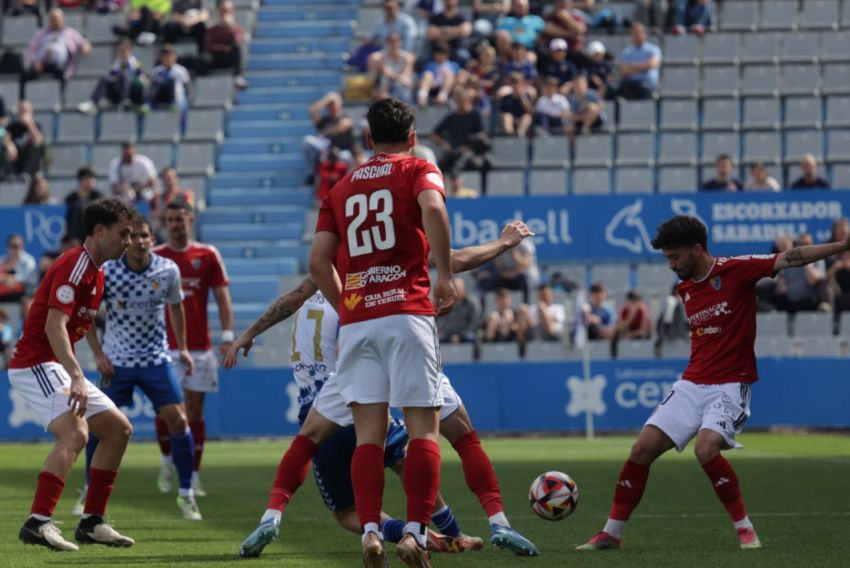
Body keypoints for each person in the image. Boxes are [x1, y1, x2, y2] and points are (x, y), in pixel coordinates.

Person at [226, 221, 539, 560]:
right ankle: (480, 525)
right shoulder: (402, 240)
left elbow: (296, 295)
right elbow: (456, 258)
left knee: (322, 455)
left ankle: (287, 518)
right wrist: (505, 242)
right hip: (404, 335)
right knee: (440, 441)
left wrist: (249, 333)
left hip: (339, 376)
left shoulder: (338, 265)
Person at [577, 214, 850, 552]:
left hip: (730, 384)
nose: (671, 264)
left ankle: (745, 529)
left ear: (696, 249)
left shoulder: (736, 269)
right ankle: (611, 534)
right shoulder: (684, 286)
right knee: (641, 449)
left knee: (705, 449)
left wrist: (841, 246)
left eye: (674, 257)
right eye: (667, 258)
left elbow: (789, 257)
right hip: (692, 383)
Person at [308, 97, 458, 566]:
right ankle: (414, 533)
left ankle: (371, 532)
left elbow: (317, 263)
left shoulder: (341, 187)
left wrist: (349, 307)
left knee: (369, 436)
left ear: (367, 138)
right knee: (423, 433)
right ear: (412, 137)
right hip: (407, 313)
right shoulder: (418, 169)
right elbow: (433, 209)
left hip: (359, 323)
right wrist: (448, 274)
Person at [8, 198, 135, 551]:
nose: (128, 241)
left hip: (54, 364)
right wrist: (78, 375)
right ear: (99, 231)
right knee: (76, 433)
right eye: (123, 234)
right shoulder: (76, 265)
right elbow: (54, 325)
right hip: (35, 363)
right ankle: (38, 522)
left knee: (118, 430)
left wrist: (93, 354)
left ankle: (92, 522)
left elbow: (78, 323)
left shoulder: (97, 272)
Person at [73, 214, 200, 520]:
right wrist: (98, 354)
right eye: (135, 236)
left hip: (155, 359)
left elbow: (176, 307)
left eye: (146, 236)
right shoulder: (108, 271)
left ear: (152, 240)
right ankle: (90, 489)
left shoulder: (167, 270)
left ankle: (187, 494)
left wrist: (181, 347)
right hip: (116, 362)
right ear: (126, 240)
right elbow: (86, 313)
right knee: (99, 426)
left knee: (179, 419)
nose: (141, 241)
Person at [152, 200, 233, 497]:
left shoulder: (207, 254)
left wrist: (227, 334)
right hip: (161, 347)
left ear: (190, 220)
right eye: (170, 219)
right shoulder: (154, 257)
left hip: (199, 348)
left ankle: (193, 474)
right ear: (165, 222)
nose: (175, 223)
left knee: (195, 411)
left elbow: (223, 296)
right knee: (167, 411)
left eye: (179, 218)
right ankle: (166, 462)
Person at [431, 88, 490, 195]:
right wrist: (444, 144)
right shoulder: (451, 117)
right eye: (458, 101)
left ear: (468, 101)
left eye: (462, 100)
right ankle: (439, 191)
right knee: (440, 165)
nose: (460, 103)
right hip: (454, 150)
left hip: (471, 151)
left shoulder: (475, 115)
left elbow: (482, 135)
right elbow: (434, 134)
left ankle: (456, 190)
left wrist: (469, 145)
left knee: (458, 164)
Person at [78, 39, 147, 115]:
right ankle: (93, 103)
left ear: (131, 51)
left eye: (127, 49)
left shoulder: (137, 65)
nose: (124, 52)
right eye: (122, 50)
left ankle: (127, 101)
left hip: (133, 96)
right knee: (105, 79)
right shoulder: (115, 66)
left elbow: (143, 81)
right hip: (117, 96)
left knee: (125, 75)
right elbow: (111, 80)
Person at [24, 8, 92, 82]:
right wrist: (35, 61)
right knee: (25, 74)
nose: (55, 21)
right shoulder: (41, 33)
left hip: (60, 65)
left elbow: (83, 43)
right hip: (41, 64)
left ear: (62, 20)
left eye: (57, 19)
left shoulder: (70, 33)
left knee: (61, 75)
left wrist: (85, 47)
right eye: (53, 19)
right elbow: (31, 49)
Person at [302, 92, 355, 184]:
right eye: (330, 105)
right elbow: (312, 111)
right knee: (307, 141)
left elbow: (342, 127)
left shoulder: (345, 117)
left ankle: (346, 183)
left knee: (345, 156)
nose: (332, 106)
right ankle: (312, 174)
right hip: (327, 151)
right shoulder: (325, 120)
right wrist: (325, 101)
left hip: (343, 151)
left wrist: (323, 132)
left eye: (333, 104)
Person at [774, 232, 832, 313]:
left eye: (807, 243)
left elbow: (814, 280)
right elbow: (781, 283)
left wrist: (806, 262)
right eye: (801, 244)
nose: (805, 246)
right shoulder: (790, 259)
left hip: (810, 300)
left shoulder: (818, 259)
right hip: (791, 301)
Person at [198, 0, 248, 89]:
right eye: (223, 10)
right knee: (203, 58)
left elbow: (237, 41)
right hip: (215, 58)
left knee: (237, 48)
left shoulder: (237, 29)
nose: (225, 13)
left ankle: (238, 77)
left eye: (228, 10)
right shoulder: (212, 29)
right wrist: (223, 48)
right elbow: (208, 46)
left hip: (229, 58)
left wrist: (230, 28)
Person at [617, 22, 661, 100]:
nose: (637, 35)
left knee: (643, 88)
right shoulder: (626, 52)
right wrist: (643, 66)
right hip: (629, 84)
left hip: (646, 84)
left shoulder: (653, 49)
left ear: (645, 34)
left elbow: (652, 64)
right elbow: (623, 70)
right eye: (634, 33)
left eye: (639, 33)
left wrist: (631, 67)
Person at [368, 31, 416, 103]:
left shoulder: (407, 57)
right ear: (388, 43)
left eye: (396, 41)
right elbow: (386, 72)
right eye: (391, 41)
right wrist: (399, 77)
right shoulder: (381, 57)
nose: (394, 44)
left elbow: (406, 75)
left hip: (401, 87)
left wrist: (399, 78)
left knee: (404, 89)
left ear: (400, 42)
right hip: (386, 87)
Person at [0, 234, 39, 317]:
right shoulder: (2, 260)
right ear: (8, 247)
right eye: (13, 246)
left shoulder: (29, 260)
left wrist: (6, 278)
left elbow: (25, 278)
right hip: (4, 295)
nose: (17, 249)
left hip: (25, 294)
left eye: (19, 246)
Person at [6, 100, 45, 178]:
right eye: (20, 111)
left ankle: (26, 174)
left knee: (35, 148)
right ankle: (10, 174)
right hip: (16, 157)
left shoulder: (36, 126)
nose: (22, 114)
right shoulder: (11, 127)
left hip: (29, 161)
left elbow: (39, 141)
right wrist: (9, 145)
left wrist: (29, 124)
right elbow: (6, 138)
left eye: (25, 111)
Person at [65, 168, 105, 243]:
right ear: (80, 181)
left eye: (92, 179)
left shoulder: (99, 197)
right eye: (87, 180)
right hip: (77, 235)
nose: (90, 182)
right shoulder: (71, 199)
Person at [416, 41, 460, 107]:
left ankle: (442, 96)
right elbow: (422, 80)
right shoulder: (430, 65)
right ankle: (422, 97)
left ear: (447, 55)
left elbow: (457, 79)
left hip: (447, 88)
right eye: (438, 53)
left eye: (443, 54)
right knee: (428, 75)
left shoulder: (453, 65)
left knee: (449, 74)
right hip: (432, 87)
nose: (440, 56)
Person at [438, 277, 481, 343]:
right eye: (456, 288)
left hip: (465, 334)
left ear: (464, 288)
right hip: (447, 334)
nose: (458, 291)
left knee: (471, 337)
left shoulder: (472, 303)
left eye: (460, 288)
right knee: (436, 338)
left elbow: (473, 324)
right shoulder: (445, 303)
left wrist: (460, 335)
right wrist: (443, 331)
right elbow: (439, 320)